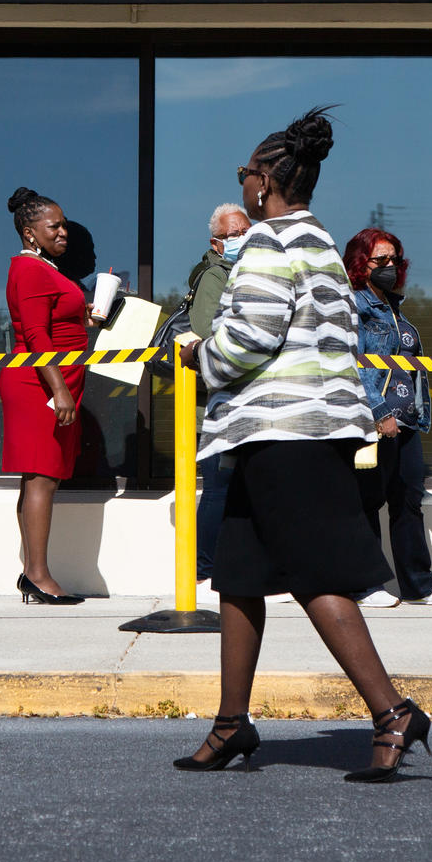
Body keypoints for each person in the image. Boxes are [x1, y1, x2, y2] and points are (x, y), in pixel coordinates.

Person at [175, 108, 431, 783]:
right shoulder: (319, 241)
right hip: (298, 429)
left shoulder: (267, 244)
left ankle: (392, 712)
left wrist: (199, 355)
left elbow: (250, 339)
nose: (244, 186)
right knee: (238, 576)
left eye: (244, 175)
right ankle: (232, 724)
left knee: (317, 576)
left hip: (285, 434)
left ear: (264, 181)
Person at [1, 187, 106, 604]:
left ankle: (32, 572)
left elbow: (57, 321)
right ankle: (39, 575)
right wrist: (59, 389)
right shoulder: (29, 270)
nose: (64, 232)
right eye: (54, 226)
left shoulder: (47, 269)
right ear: (30, 233)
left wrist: (87, 317)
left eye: (64, 225)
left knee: (41, 478)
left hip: (54, 381)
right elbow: (35, 335)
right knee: (41, 477)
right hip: (39, 384)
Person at [344, 226, 432, 609]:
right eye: (380, 259)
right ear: (361, 263)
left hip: (407, 422)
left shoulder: (394, 307)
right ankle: (365, 584)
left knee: (408, 499)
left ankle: (418, 584)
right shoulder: (354, 306)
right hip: (374, 421)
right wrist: (380, 412)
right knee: (368, 500)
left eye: (394, 259)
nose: (389, 266)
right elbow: (353, 365)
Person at [189, 202, 251, 585]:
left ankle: (236, 566)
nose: (240, 239)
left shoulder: (258, 272)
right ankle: (204, 570)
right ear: (216, 243)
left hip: (248, 405)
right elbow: (204, 330)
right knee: (218, 488)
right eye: (231, 235)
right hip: (218, 405)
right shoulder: (216, 274)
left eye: (245, 230)